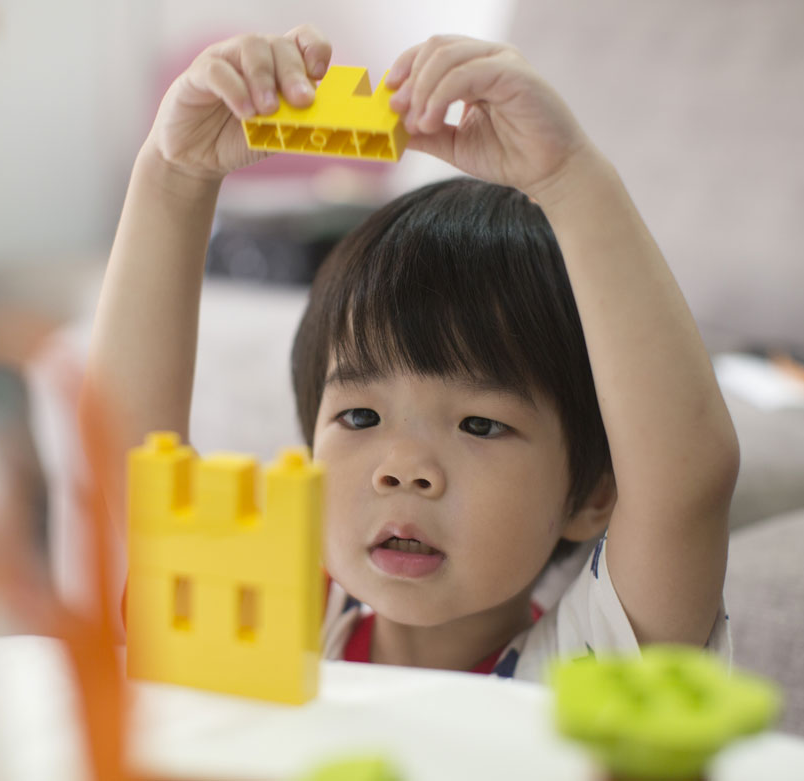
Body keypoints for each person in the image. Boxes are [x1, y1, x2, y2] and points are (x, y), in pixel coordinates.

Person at [82, 26, 737, 681]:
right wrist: (174, 174)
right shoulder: (283, 628)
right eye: (360, 417)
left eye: (480, 424)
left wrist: (569, 180)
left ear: (592, 496)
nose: (403, 469)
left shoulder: (590, 668)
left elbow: (685, 481)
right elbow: (129, 454)